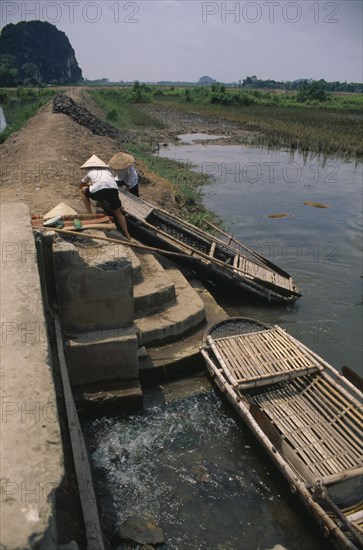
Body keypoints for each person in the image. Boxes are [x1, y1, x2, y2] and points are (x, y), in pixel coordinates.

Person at [79, 154, 131, 240]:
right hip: (113, 190)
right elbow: (110, 183)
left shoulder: (89, 172)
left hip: (99, 191)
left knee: (82, 191)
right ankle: (127, 234)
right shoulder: (107, 171)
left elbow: (81, 186)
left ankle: (90, 214)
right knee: (118, 213)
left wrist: (90, 184)